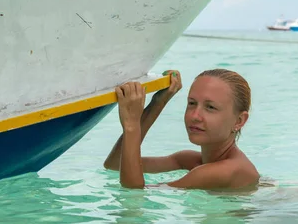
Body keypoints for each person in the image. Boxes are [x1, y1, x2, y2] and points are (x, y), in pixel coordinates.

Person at [103, 69, 260, 190]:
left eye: (210, 107)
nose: (195, 116)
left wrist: (132, 125)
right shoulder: (190, 160)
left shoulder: (226, 170)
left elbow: (135, 195)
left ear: (239, 121)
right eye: (192, 103)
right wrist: (158, 102)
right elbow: (116, 164)